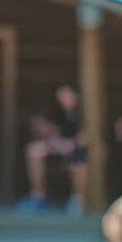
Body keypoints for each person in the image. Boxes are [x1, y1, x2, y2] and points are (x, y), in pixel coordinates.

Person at [21, 85, 88, 215]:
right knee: (33, 151)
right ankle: (38, 196)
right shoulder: (54, 112)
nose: (65, 99)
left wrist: (72, 144)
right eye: (62, 96)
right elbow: (47, 132)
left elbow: (84, 137)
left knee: (80, 156)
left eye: (68, 95)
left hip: (74, 150)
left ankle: (77, 200)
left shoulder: (83, 113)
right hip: (55, 148)